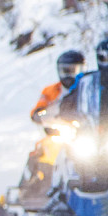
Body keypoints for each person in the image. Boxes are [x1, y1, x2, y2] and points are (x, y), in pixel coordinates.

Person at [17, 50, 86, 202]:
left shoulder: (87, 89)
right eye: (65, 70)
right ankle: (24, 189)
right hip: (56, 133)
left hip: (81, 134)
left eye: (73, 70)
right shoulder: (51, 91)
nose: (69, 75)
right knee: (40, 152)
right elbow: (39, 108)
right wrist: (39, 114)